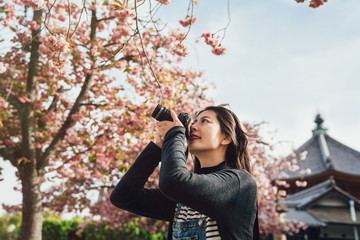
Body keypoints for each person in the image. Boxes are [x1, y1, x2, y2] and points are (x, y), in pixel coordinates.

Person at [110, 105, 259, 240]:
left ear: (226, 138)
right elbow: (123, 196)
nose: (193, 127)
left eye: (204, 121)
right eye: (193, 122)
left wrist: (174, 134)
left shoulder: (241, 183)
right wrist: (157, 148)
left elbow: (174, 182)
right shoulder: (183, 197)